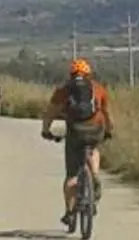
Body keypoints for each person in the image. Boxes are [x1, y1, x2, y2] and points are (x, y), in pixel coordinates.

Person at [41, 59, 112, 231]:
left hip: (75, 131)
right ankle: (94, 174)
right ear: (89, 74)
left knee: (71, 175)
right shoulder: (98, 89)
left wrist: (46, 130)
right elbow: (106, 112)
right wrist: (109, 130)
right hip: (95, 130)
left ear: (71, 74)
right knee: (93, 149)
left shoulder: (64, 91)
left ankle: (70, 211)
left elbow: (50, 113)